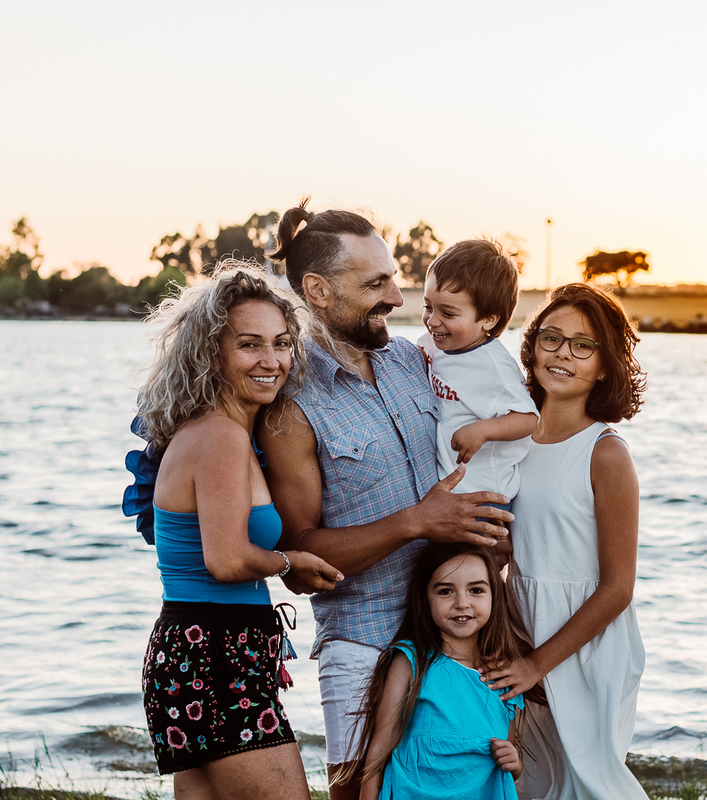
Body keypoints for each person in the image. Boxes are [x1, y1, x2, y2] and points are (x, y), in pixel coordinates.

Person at [256, 199, 516, 800]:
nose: (397, 299)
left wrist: (491, 537)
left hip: (452, 640)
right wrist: (415, 521)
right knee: (357, 794)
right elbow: (299, 560)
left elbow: (489, 433)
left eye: (395, 280)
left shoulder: (414, 361)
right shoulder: (291, 404)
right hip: (363, 641)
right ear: (317, 290)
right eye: (376, 283)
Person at [134, 262, 343, 800]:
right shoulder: (220, 437)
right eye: (250, 345)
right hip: (213, 656)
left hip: (202, 652)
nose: (270, 361)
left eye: (280, 344)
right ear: (212, 353)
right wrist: (290, 563)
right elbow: (225, 560)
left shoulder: (218, 432)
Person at [479, 283, 649, 800]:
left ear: (605, 366)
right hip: (517, 626)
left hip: (585, 639)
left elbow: (619, 587)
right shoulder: (510, 440)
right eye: (552, 338)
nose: (563, 355)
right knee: (527, 780)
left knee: (589, 782)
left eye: (583, 345)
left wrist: (539, 663)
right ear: (531, 348)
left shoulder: (606, 453)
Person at [342, 542, 525, 800]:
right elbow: (379, 751)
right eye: (445, 591)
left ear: (495, 595)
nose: (462, 603)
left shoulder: (502, 676)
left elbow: (509, 753)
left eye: (476, 590)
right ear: (424, 598)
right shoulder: (412, 661)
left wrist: (514, 763)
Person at [418, 239, 538, 513]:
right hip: (446, 490)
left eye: (448, 312)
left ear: (489, 320)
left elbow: (528, 419)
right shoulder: (435, 342)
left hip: (483, 497)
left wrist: (483, 430)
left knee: (464, 556)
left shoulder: (494, 368)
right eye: (428, 307)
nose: (433, 321)